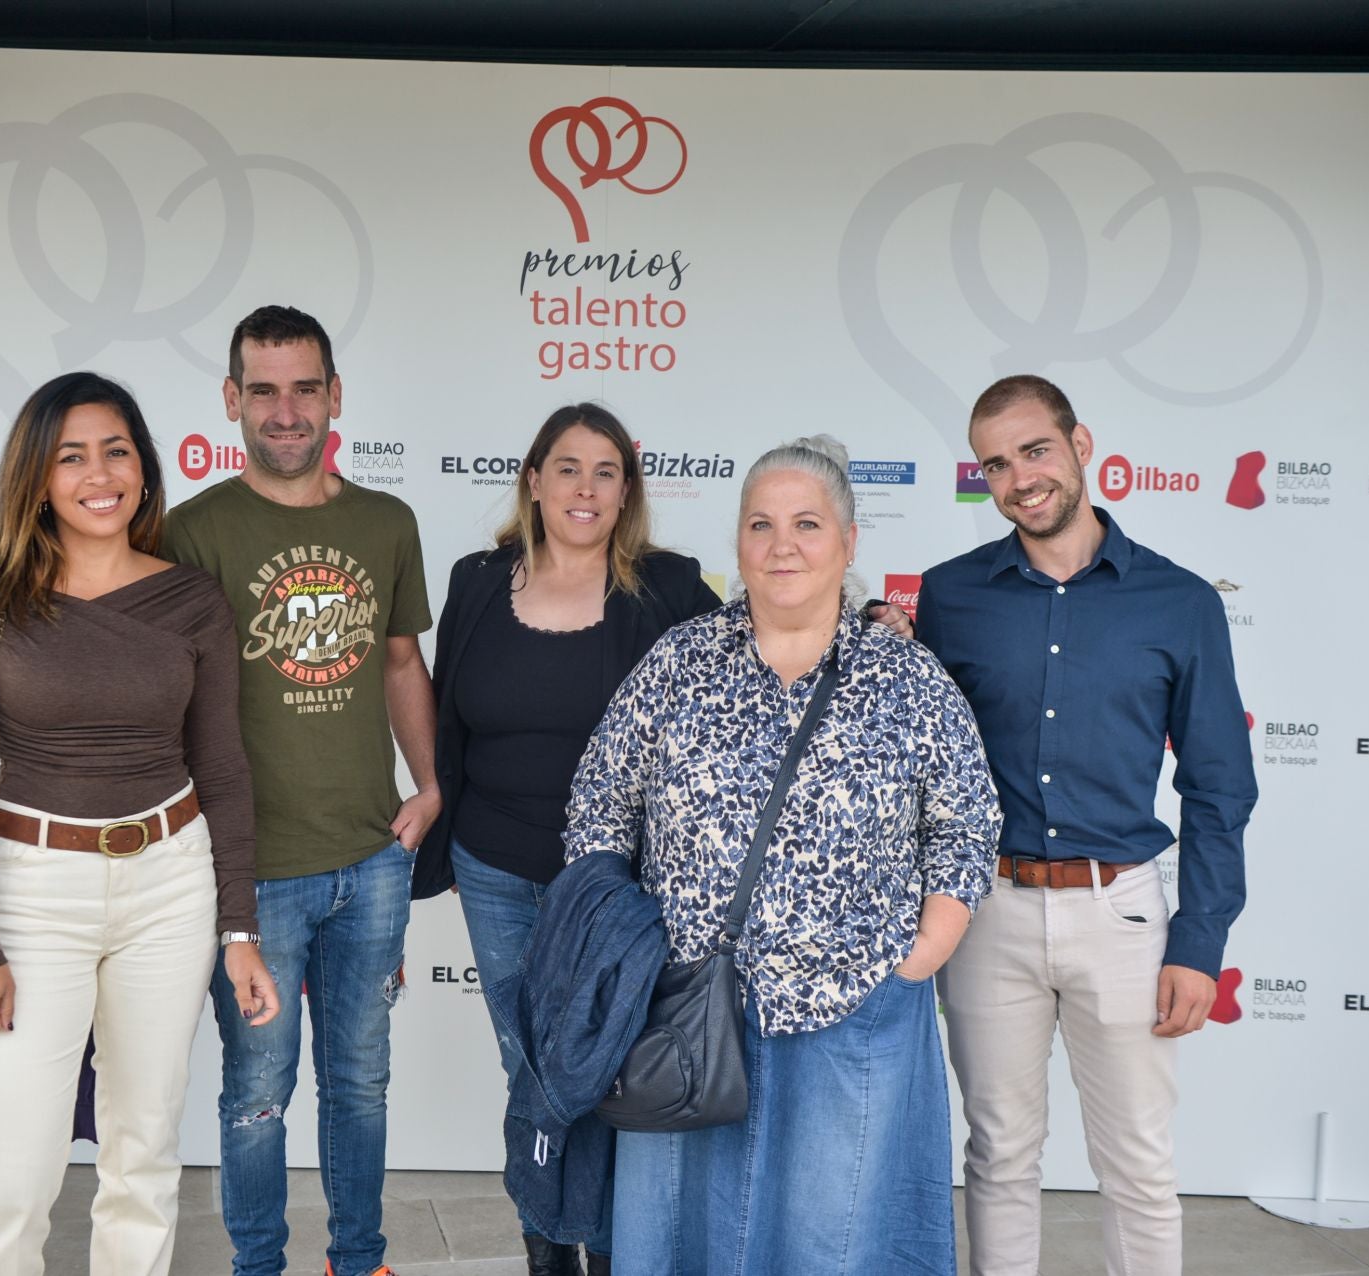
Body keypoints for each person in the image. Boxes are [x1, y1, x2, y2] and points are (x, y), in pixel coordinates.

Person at [564, 435, 1002, 1274]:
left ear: (848, 540)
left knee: (830, 1241)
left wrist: (923, 955)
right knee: (684, 1237)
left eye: (806, 523)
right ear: (738, 542)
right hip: (689, 1014)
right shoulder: (681, 663)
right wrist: (629, 944)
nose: (782, 545)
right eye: (760, 524)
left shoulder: (906, 679)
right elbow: (598, 802)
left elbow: (965, 824)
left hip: (852, 1013)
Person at [0, 371, 275, 1276]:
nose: (98, 473)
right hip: (35, 888)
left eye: (116, 450)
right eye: (71, 455)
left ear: (145, 468)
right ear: (37, 478)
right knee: (14, 1170)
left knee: (145, 1154)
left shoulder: (192, 600)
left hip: (171, 883)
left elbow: (225, 771)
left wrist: (238, 928)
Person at [917, 375, 1259, 1276]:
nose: (1019, 477)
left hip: (1126, 918)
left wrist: (1201, 938)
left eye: (1035, 450)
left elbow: (1221, 786)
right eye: (996, 463)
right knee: (997, 1157)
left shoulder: (1180, 602)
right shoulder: (952, 597)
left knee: (1139, 1167)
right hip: (987, 910)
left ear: (1080, 445)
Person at [161, 305, 437, 1276]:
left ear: (335, 396)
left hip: (370, 859)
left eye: (305, 387)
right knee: (258, 1091)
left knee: (360, 1084)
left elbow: (402, 662)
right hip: (252, 875)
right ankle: (258, 1267)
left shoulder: (385, 522)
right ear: (232, 400)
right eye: (264, 389)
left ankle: (358, 1261)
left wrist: (431, 785)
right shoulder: (190, 533)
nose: (286, 410)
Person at [420, 403, 719, 1276]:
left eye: (606, 472)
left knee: (604, 1070)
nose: (585, 490)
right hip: (494, 867)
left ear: (627, 490)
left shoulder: (666, 589)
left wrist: (868, 624)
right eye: (568, 469)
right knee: (535, 1071)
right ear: (533, 479)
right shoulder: (478, 580)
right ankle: (549, 1249)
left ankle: (609, 1245)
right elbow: (446, 716)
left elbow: (758, 650)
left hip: (615, 883)